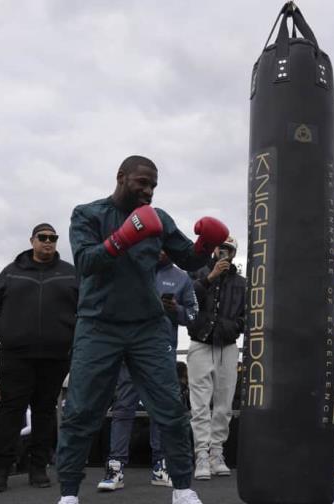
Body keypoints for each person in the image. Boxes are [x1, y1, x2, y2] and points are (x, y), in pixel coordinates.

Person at [55, 155, 229, 504]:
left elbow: (190, 259)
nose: (148, 191)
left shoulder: (159, 218)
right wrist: (122, 237)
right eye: (142, 183)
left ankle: (182, 487)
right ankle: (69, 493)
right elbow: (87, 263)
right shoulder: (87, 214)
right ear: (121, 178)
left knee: (169, 408)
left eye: (153, 185)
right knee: (80, 410)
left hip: (147, 327)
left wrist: (206, 243)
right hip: (98, 324)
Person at [0, 223, 77, 492]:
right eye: (43, 237)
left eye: (53, 238)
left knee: (45, 411)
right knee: (11, 410)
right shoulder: (12, 271)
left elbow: (85, 306)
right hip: (16, 354)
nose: (48, 242)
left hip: (56, 354)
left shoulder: (69, 273)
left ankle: (38, 468)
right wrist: (5, 332)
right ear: (32, 240)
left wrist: (71, 337)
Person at [99, 250, 197, 490]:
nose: (161, 250)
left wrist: (175, 309)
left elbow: (194, 315)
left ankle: (161, 465)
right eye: (157, 244)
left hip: (160, 351)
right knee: (123, 408)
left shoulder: (182, 277)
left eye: (166, 245)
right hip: (128, 348)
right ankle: (115, 467)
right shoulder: (129, 270)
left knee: (161, 410)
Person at [187, 235, 245, 480]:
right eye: (221, 247)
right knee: (200, 403)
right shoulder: (197, 272)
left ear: (233, 253)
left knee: (224, 403)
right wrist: (209, 278)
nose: (224, 252)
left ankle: (216, 452)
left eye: (228, 249)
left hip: (227, 345)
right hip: (200, 342)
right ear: (214, 250)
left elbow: (248, 315)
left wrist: (234, 327)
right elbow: (188, 300)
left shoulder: (242, 283)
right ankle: (201, 453)